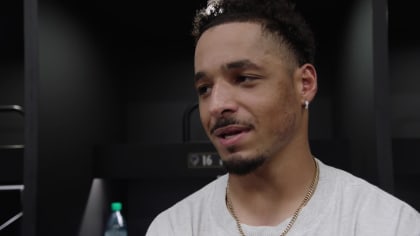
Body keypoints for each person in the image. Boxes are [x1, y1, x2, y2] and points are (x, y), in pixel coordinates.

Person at [146, 0, 420, 235]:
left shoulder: (387, 224)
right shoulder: (174, 227)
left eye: (244, 78)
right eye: (204, 89)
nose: (216, 105)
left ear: (305, 84)